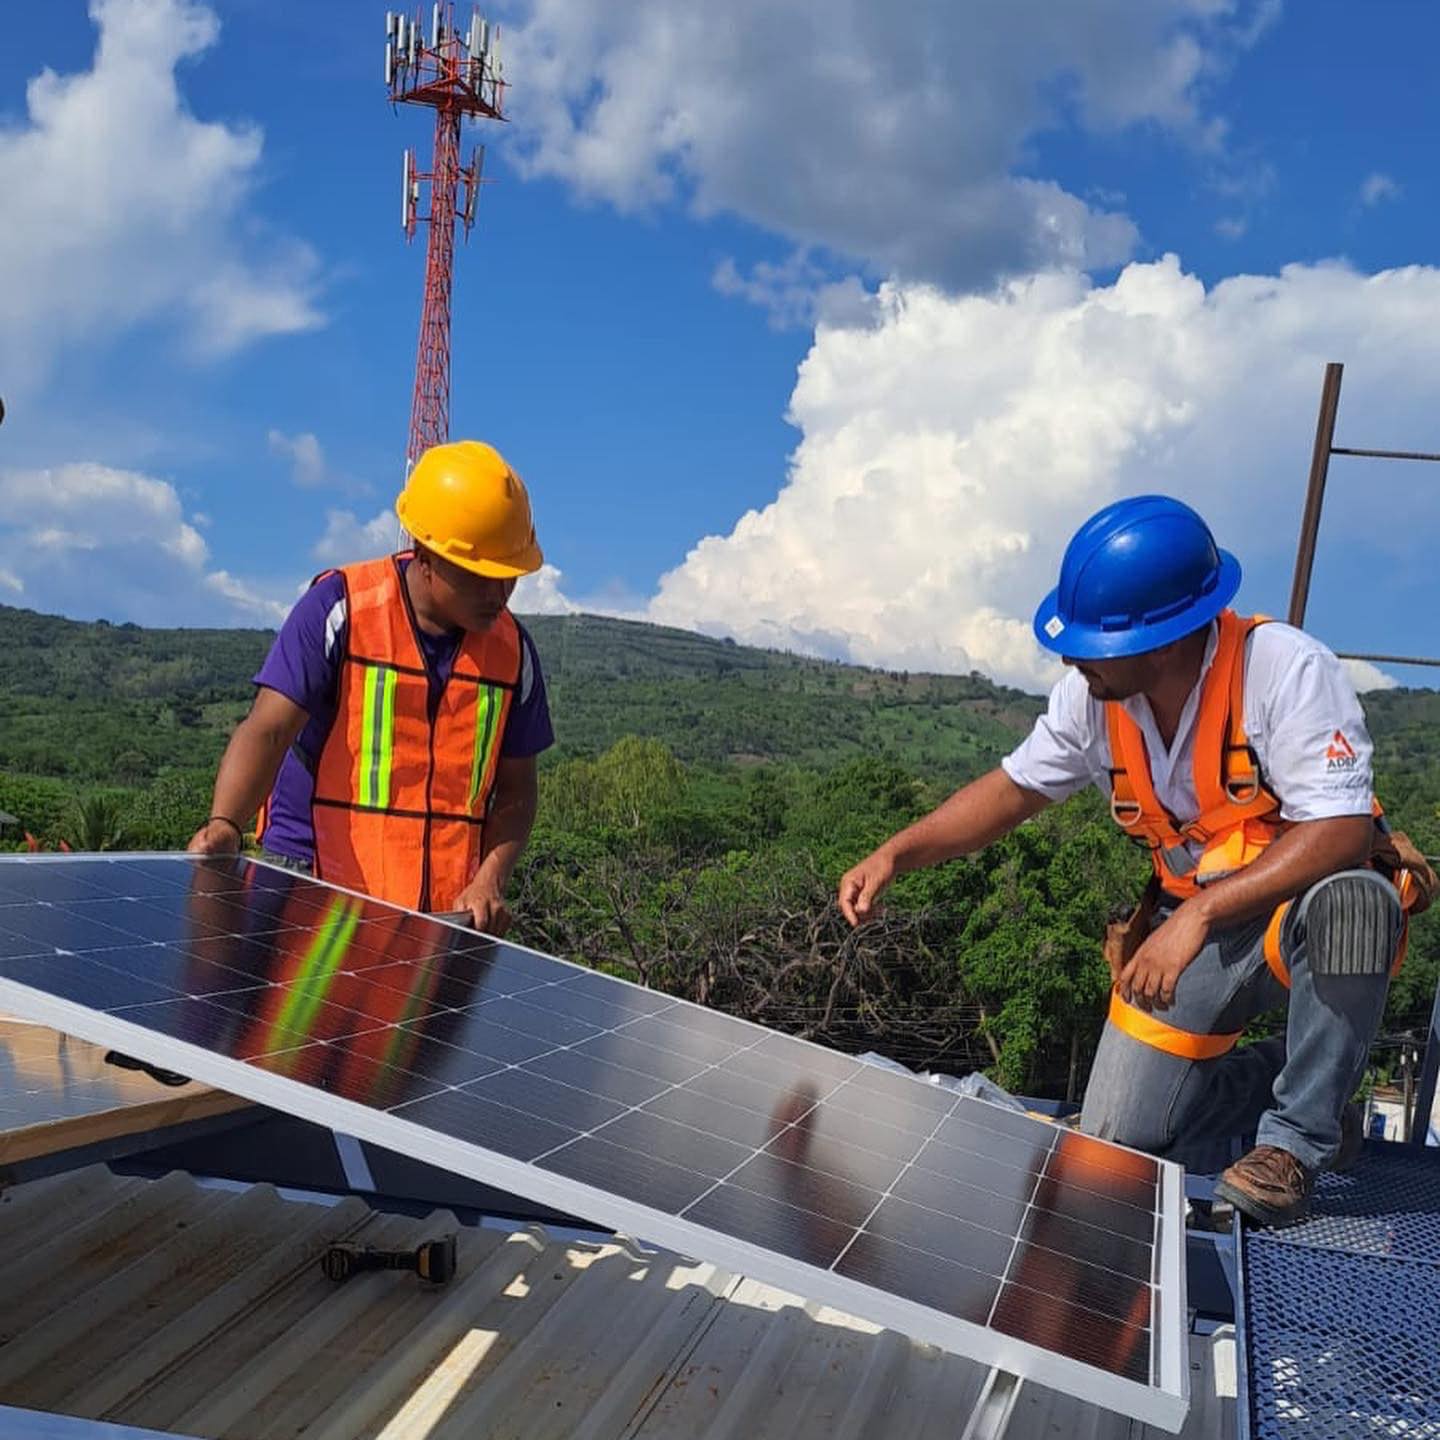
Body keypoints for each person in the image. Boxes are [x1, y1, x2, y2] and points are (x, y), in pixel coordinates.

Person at [838, 495, 1429, 1227]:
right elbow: (1013, 790)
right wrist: (896, 853)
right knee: (1123, 1139)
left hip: (1294, 913)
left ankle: (1295, 1147)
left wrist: (1200, 915)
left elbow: (1340, 831)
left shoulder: (1283, 670)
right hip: (1202, 924)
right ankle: (1310, 1085)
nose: (1071, 658)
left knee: (1356, 900)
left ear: (1164, 640)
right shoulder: (1096, 700)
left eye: (1091, 644)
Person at [188, 440, 554, 935]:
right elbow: (268, 730)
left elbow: (516, 790)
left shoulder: (514, 654)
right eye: (479, 576)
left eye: (508, 576)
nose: (498, 593)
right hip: (315, 885)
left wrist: (489, 879)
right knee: (303, 1015)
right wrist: (226, 825)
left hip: (437, 910)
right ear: (425, 555)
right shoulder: (339, 609)